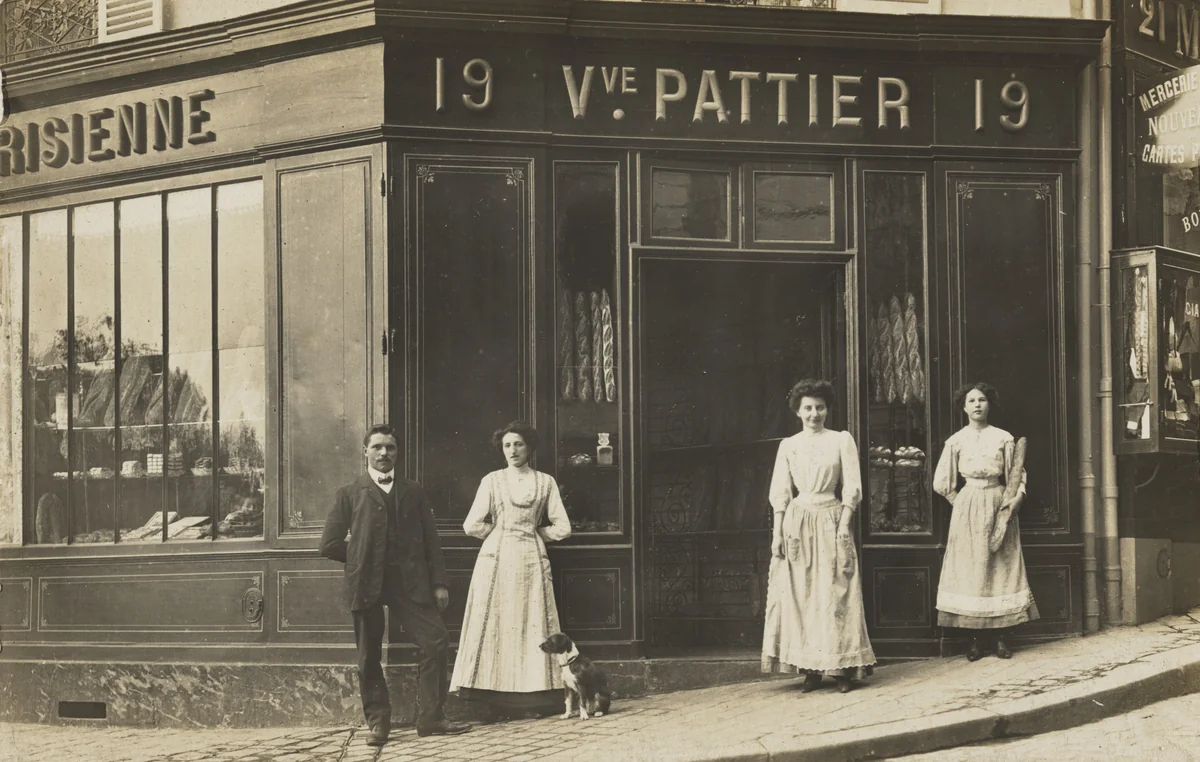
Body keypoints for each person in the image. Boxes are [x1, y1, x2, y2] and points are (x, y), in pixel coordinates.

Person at [319, 424, 470, 746]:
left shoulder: (413, 491)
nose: (384, 453)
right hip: (365, 583)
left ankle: (431, 718)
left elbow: (431, 541)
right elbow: (329, 544)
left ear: (397, 453)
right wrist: (363, 556)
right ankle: (378, 724)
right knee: (368, 656)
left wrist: (439, 584)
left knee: (436, 641)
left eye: (390, 447)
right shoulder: (348, 493)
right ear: (365, 452)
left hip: (410, 583)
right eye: (377, 447)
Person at [761, 379, 876, 693]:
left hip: (830, 518)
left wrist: (844, 524)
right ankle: (811, 669)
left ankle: (842, 670)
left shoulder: (841, 440)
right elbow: (780, 492)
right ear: (798, 411)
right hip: (797, 522)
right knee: (803, 594)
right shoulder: (789, 445)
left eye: (820, 407)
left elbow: (852, 486)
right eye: (808, 408)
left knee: (836, 591)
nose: (814, 413)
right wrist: (777, 534)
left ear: (828, 409)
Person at [450, 422, 572, 714]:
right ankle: (488, 698)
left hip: (531, 560)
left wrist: (535, 533)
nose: (512, 450)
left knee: (532, 622)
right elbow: (471, 525)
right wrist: (500, 530)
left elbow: (563, 527)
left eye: (518, 444)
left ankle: (535, 697)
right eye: (507, 445)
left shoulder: (545, 482)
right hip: (497, 562)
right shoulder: (492, 480)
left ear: (529, 447)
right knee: (496, 623)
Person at [934, 382, 1039, 660]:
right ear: (964, 407)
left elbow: (1017, 473)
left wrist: (1014, 499)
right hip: (968, 504)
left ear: (989, 404)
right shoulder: (956, 441)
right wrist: (961, 503)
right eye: (971, 401)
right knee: (972, 571)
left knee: (1000, 567)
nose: (977, 405)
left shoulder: (1003, 438)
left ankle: (1001, 638)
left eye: (982, 400)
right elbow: (942, 481)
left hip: (998, 502)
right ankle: (974, 641)